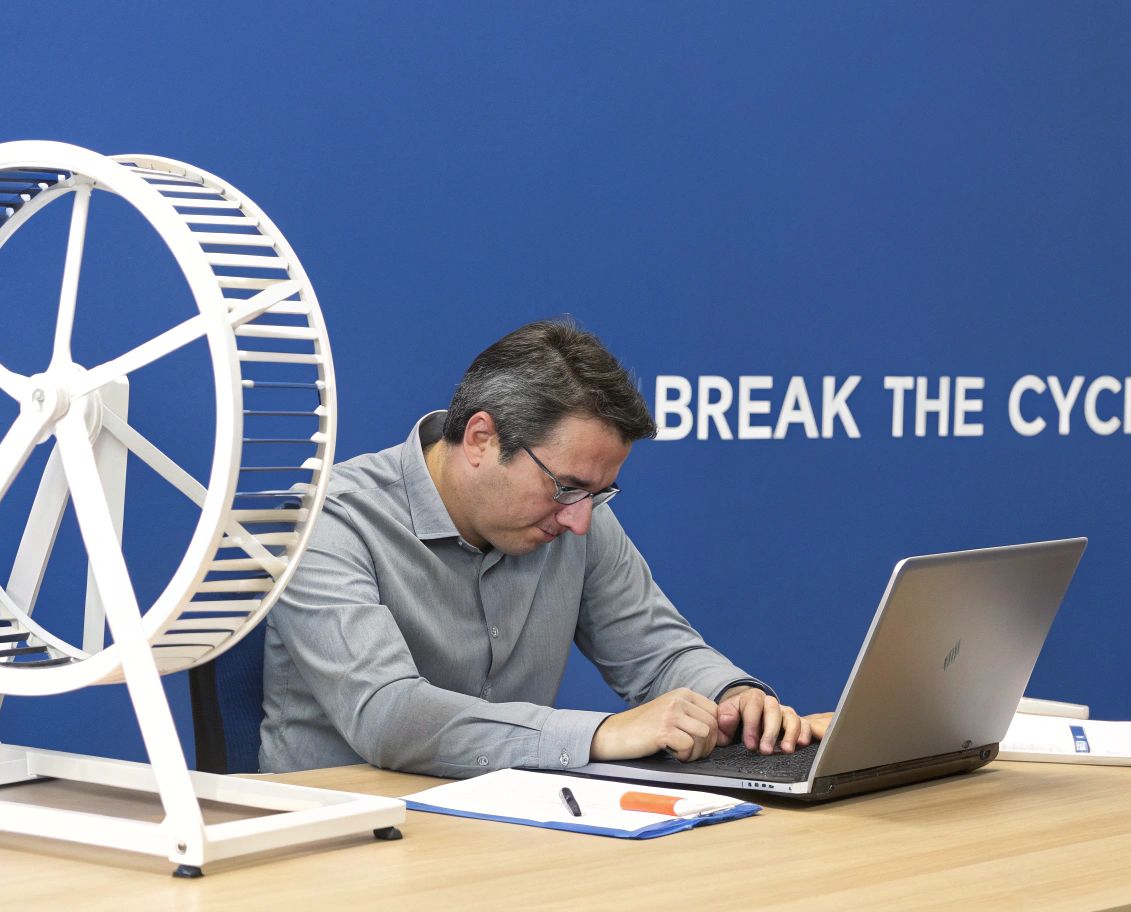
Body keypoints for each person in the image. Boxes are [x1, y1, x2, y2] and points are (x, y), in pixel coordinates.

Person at [258, 318, 821, 776]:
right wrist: (601, 733)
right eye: (567, 487)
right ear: (482, 439)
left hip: (513, 830)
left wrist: (735, 696)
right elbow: (388, 715)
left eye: (599, 494)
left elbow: (660, 653)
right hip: (343, 845)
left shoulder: (578, 514)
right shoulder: (329, 519)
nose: (579, 519)